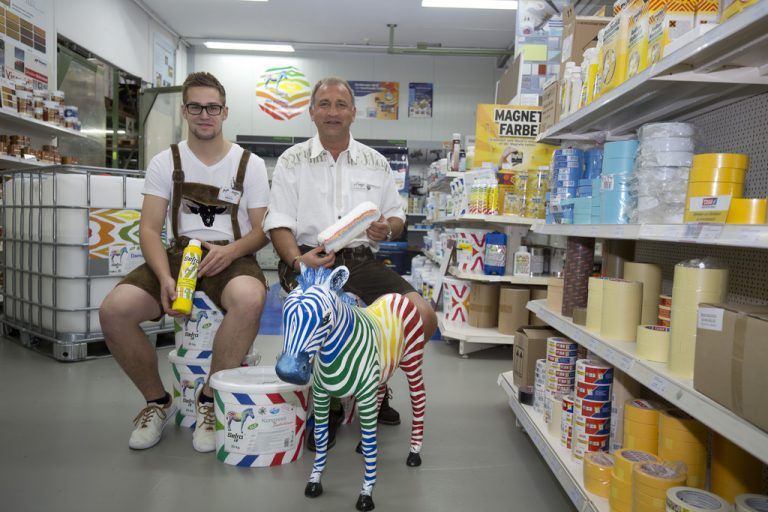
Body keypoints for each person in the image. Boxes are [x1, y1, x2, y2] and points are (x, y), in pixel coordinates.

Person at [264, 76, 438, 450]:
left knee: (421, 314)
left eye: (340, 104)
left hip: (362, 260)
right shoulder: (292, 161)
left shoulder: (375, 163)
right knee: (320, 323)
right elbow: (277, 222)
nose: (332, 112)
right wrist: (298, 261)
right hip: (310, 260)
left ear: (354, 113)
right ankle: (324, 407)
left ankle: (373, 384)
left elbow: (396, 217)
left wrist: (385, 230)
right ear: (311, 112)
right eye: (324, 104)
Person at [99, 72, 270, 453]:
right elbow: (148, 229)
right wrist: (163, 276)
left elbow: (262, 231)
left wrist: (232, 251)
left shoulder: (250, 164)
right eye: (196, 107)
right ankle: (157, 402)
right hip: (178, 254)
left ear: (225, 112)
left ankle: (209, 401)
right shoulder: (166, 162)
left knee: (251, 298)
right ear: (185, 111)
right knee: (114, 310)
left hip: (232, 255)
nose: (204, 115)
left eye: (212, 107)